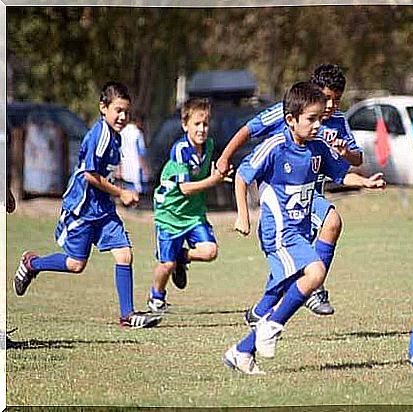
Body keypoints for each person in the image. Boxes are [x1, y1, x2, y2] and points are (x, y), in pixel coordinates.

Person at [223, 82, 385, 375]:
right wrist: (242, 215)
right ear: (291, 119)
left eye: (320, 119)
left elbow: (341, 175)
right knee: (315, 274)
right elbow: (242, 177)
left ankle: (242, 351)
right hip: (278, 233)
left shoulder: (318, 147)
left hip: (299, 231)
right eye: (311, 119)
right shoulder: (275, 146)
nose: (317, 125)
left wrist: (365, 182)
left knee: (296, 286)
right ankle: (270, 326)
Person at [217, 63, 363, 318]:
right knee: (330, 224)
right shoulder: (288, 113)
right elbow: (249, 130)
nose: (330, 107)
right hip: (286, 195)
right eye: (326, 99)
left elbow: (356, 159)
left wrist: (346, 154)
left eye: (336, 100)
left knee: (292, 263)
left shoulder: (338, 121)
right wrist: (225, 157)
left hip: (310, 193)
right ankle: (313, 291)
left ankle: (261, 313)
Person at [13, 81, 162, 329]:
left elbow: (106, 172)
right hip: (82, 208)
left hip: (103, 209)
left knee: (124, 254)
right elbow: (89, 175)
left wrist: (124, 187)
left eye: (126, 111)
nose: (123, 116)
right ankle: (32, 264)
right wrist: (121, 193)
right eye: (118, 110)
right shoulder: (100, 134)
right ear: (103, 108)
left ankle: (127, 315)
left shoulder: (115, 137)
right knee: (75, 264)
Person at [147, 98, 232, 313]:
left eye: (205, 124)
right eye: (196, 124)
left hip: (193, 215)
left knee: (210, 251)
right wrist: (213, 181)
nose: (202, 129)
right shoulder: (179, 150)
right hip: (169, 215)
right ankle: (156, 297)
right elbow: (184, 188)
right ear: (185, 125)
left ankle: (181, 256)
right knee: (166, 265)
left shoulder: (210, 146)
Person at [119, 111, 149, 195]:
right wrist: (145, 168)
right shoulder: (138, 134)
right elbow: (141, 153)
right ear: (139, 121)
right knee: (137, 190)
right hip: (136, 167)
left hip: (125, 166)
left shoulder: (122, 132)